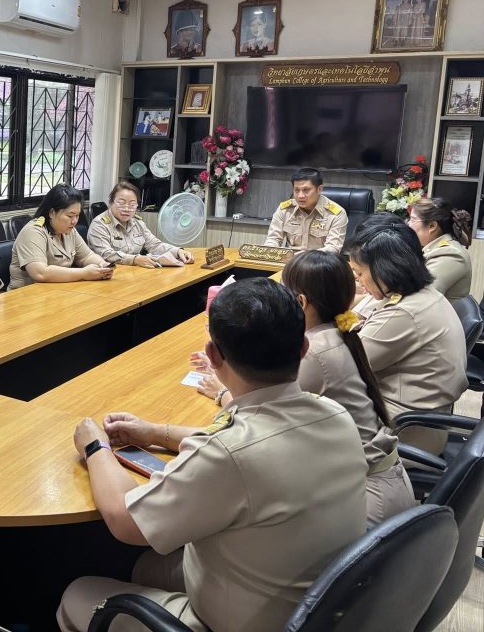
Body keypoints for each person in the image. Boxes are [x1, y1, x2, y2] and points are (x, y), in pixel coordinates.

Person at [57, 279, 366, 632]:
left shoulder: (227, 455)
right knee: (145, 566)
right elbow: (251, 442)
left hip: (246, 622)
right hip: (318, 606)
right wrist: (155, 432)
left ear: (213, 355)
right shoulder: (336, 414)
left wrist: (95, 446)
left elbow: (124, 520)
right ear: (303, 348)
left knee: (76, 593)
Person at [197, 252, 415, 525]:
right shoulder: (337, 333)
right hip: (378, 482)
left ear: (300, 302)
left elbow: (256, 419)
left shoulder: (314, 354)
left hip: (366, 501)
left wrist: (222, 388)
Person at [346, 219, 468, 454]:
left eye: (360, 273)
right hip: (413, 418)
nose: (358, 281)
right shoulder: (417, 294)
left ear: (384, 270)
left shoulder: (404, 313)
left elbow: (342, 366)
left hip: (403, 431)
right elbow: (355, 323)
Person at [8, 184, 112, 290]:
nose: (74, 221)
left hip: (58, 291)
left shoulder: (69, 230)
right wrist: (84, 273)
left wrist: (103, 265)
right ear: (52, 213)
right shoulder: (33, 232)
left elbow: (87, 256)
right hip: (27, 294)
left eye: (77, 216)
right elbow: (40, 273)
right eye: (70, 216)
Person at [87, 181, 194, 268]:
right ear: (111, 202)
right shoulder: (99, 224)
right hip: (109, 275)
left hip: (134, 273)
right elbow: (106, 254)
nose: (126, 209)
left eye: (132, 204)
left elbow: (154, 245)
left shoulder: (137, 223)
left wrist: (177, 251)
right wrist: (134, 260)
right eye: (121, 203)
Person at [264, 167, 348, 252]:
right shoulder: (285, 210)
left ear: (319, 189)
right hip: (290, 259)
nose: (300, 196)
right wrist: (269, 252)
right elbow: (273, 239)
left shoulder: (336, 214)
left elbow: (333, 249)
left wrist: (305, 257)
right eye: (296, 190)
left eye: (306, 190)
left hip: (319, 259)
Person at [406, 196, 473, 302]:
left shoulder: (450, 255)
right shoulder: (430, 248)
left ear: (432, 226)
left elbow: (421, 296)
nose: (408, 224)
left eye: (412, 220)